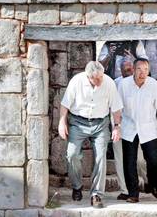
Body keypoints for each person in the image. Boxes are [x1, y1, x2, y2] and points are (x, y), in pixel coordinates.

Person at [58, 61, 123, 208]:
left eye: (101, 76)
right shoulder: (77, 81)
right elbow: (65, 104)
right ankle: (77, 186)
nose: (100, 80)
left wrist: (117, 127)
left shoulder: (109, 83)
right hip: (78, 122)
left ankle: (96, 195)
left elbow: (116, 107)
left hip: (100, 123)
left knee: (101, 156)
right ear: (88, 77)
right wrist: (62, 122)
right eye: (96, 78)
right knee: (72, 154)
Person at [118, 58, 157, 203]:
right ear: (133, 70)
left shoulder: (154, 85)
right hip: (129, 127)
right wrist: (116, 126)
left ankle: (153, 184)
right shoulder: (124, 85)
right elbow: (117, 108)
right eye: (139, 69)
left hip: (148, 128)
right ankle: (133, 193)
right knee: (129, 162)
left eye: (146, 70)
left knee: (153, 160)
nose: (143, 73)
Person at [112, 59, 134, 200]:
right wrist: (115, 126)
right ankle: (125, 189)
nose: (130, 71)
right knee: (119, 157)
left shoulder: (141, 82)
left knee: (138, 159)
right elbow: (112, 107)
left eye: (131, 68)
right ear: (121, 70)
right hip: (119, 125)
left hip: (136, 128)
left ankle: (145, 180)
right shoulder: (114, 84)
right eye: (127, 69)